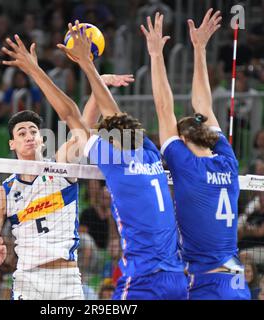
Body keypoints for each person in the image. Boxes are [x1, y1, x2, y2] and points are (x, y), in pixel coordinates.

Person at [0, 33, 134, 300]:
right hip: (27, 279)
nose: (29, 135)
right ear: (12, 144)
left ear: (41, 138)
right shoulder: (2, 194)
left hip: (66, 280)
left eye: (33, 130)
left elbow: (81, 127)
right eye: (21, 133)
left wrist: (99, 87)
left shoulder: (61, 166)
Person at [56, 21, 187, 300]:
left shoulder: (115, 160)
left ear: (113, 141)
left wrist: (84, 64)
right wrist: (155, 56)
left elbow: (73, 118)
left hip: (143, 279)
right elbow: (162, 108)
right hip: (177, 277)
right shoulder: (150, 152)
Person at [146, 9, 249, 300]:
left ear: (183, 138)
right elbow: (205, 107)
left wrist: (155, 55)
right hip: (236, 282)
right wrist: (199, 48)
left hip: (209, 284)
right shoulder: (226, 159)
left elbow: (164, 107)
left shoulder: (185, 164)